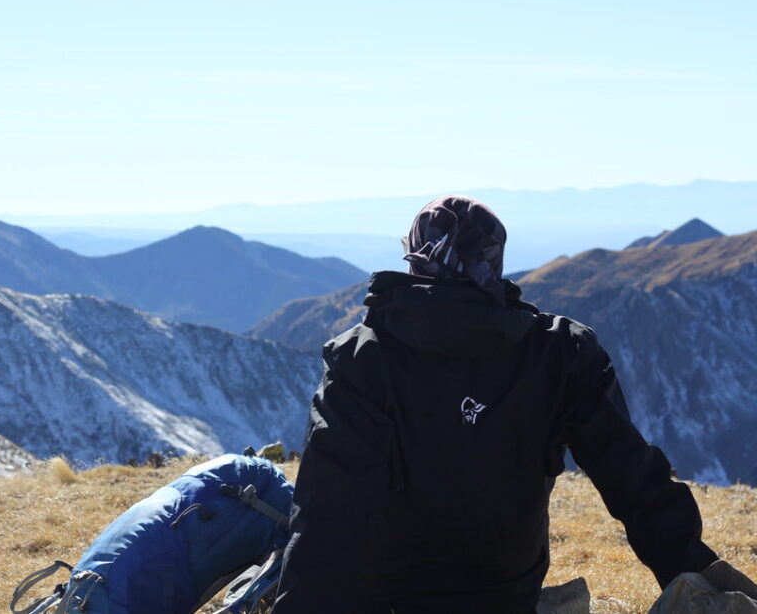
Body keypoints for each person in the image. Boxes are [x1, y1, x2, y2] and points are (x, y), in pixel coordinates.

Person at [271, 195, 723, 614]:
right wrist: (701, 578)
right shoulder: (561, 353)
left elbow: (327, 515)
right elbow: (634, 480)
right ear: (495, 261)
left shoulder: (362, 359)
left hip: (388, 600)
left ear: (415, 256)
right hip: (508, 595)